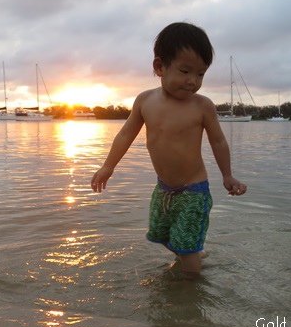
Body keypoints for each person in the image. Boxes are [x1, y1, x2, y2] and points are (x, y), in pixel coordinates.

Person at [91, 22, 247, 276]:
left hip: (193, 191)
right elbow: (125, 134)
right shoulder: (145, 101)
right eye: (185, 71)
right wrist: (107, 166)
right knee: (164, 235)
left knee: (186, 249)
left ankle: (191, 292)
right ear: (159, 67)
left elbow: (218, 141)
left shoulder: (202, 106)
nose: (192, 81)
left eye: (200, 74)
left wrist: (227, 175)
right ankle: (192, 255)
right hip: (164, 189)